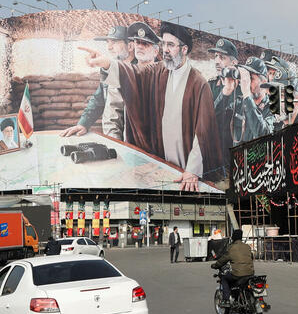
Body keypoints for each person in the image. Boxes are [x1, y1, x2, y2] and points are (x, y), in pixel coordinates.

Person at [81, 22, 225, 190]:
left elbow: (203, 132)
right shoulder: (157, 71)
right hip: (160, 164)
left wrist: (192, 170)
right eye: (163, 44)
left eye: (170, 45)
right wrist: (106, 63)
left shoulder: (198, 83)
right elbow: (134, 76)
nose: (165, 49)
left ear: (184, 49)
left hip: (184, 168)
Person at [62, 26, 136, 139]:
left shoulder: (142, 72)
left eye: (115, 42)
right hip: (113, 137)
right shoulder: (110, 69)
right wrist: (83, 124)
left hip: (134, 141)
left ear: (130, 46)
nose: (109, 47)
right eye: (108, 42)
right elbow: (99, 98)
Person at [230, 56, 274, 144]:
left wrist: (247, 95)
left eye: (251, 78)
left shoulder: (273, 108)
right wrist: (227, 90)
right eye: (246, 78)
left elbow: (263, 134)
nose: (246, 82)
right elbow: (213, 120)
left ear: (264, 83)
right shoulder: (238, 103)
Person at [210, 228, 255, 307]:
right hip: (250, 273)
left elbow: (223, 260)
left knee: (224, 278)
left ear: (233, 237)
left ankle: (226, 300)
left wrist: (215, 265)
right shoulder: (247, 247)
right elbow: (251, 256)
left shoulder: (231, 248)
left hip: (238, 274)